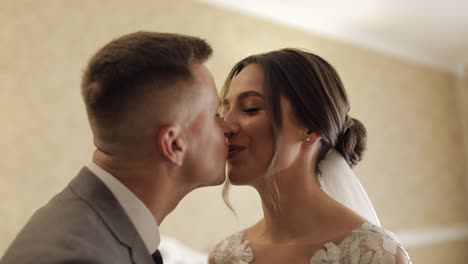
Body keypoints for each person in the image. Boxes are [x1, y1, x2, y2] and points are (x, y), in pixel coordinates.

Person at [1, 31, 229, 264]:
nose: (228, 126)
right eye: (215, 114)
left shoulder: (83, 220)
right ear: (173, 144)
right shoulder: (84, 257)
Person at [210, 49, 411, 263]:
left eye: (250, 108)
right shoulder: (226, 256)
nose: (224, 126)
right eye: (224, 110)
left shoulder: (376, 255)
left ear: (311, 128)